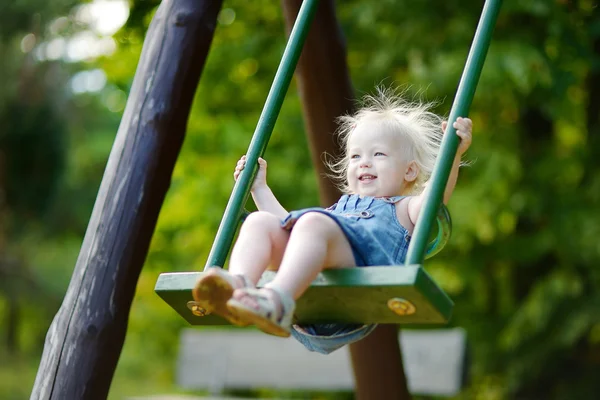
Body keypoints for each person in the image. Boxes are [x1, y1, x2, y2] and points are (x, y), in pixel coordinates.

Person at [192, 89, 472, 354]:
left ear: (410, 171)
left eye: (378, 154)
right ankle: (240, 288)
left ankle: (277, 300)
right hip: (318, 291)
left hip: (361, 283)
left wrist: (453, 155)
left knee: (313, 222)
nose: (364, 163)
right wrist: (259, 188)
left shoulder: (406, 208)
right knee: (260, 222)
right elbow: (287, 229)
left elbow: (435, 198)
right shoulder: (339, 212)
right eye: (355, 156)